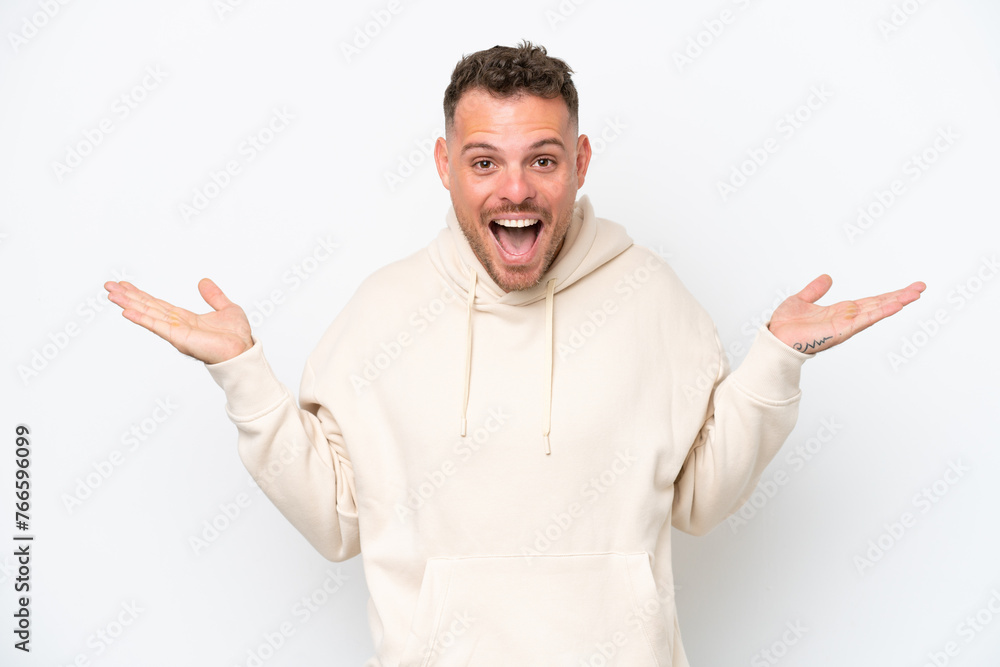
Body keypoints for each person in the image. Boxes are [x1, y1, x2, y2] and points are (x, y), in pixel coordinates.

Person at [105, 41, 924, 667]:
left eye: (542, 159)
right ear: (445, 167)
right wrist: (243, 372)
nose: (516, 190)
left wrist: (777, 359)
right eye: (484, 162)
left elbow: (701, 498)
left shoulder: (653, 300)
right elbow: (336, 519)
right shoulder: (380, 315)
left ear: (580, 162)